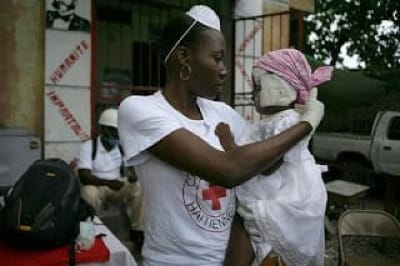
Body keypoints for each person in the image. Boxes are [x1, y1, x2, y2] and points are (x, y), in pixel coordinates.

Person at [117, 5, 324, 266]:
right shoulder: (139, 110)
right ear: (184, 57)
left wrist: (291, 115)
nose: (224, 70)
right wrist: (306, 125)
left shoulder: (223, 113)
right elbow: (229, 170)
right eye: (217, 58)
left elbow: (262, 162)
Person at [218, 49, 333, 266]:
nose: (253, 93)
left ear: (280, 89)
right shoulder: (282, 120)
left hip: (286, 193)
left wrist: (231, 146)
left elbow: (269, 165)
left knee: (250, 224)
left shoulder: (288, 121)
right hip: (278, 187)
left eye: (258, 87)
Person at [77, 108, 144, 251]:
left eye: (118, 131)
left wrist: (132, 175)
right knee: (88, 193)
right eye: (113, 131)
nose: (117, 135)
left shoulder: (121, 147)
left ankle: (138, 231)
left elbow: (130, 168)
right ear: (103, 129)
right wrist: (107, 183)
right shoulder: (89, 146)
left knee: (138, 187)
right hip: (98, 186)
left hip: (117, 185)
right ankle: (88, 233)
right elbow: (84, 175)